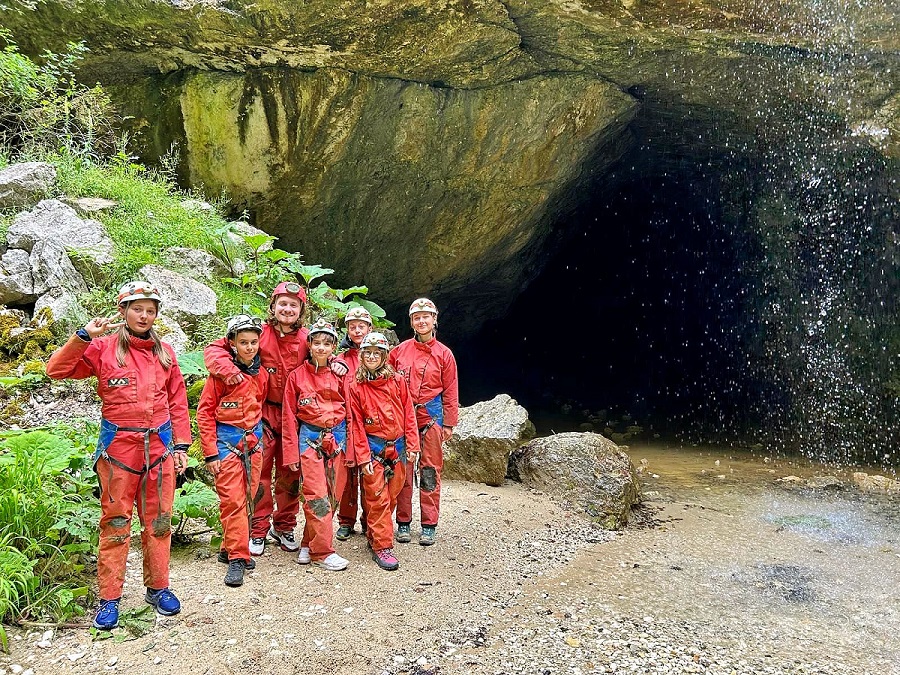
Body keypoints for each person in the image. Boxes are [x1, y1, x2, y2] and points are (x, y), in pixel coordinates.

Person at [46, 281, 191, 630]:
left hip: (159, 447)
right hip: (117, 450)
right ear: (123, 310)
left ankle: (158, 588)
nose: (144, 315)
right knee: (115, 523)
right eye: (137, 308)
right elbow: (56, 370)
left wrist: (182, 446)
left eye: (150, 310)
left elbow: (177, 401)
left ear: (157, 315)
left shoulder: (166, 353)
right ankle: (109, 597)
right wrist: (82, 336)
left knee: (158, 522)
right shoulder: (102, 349)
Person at [204, 282, 311, 556]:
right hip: (262, 412)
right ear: (273, 306)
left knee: (290, 473)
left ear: (301, 310)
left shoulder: (307, 339)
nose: (287, 309)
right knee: (260, 475)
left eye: (293, 304)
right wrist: (230, 371)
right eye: (282, 303)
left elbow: (324, 358)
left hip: (294, 416)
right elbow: (216, 350)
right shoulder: (257, 333)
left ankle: (284, 525)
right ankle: (257, 529)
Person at [197, 315, 268, 587]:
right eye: (243, 342)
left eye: (253, 342)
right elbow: (204, 413)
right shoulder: (219, 377)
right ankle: (239, 557)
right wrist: (210, 453)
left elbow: (259, 404)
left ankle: (229, 547)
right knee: (232, 499)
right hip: (226, 443)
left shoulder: (260, 374)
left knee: (248, 496)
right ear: (232, 344)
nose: (249, 347)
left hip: (253, 442)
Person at [346, 332, 420, 570]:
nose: (371, 357)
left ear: (385, 356)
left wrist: (413, 445)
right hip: (374, 449)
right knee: (377, 497)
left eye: (376, 353)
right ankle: (382, 546)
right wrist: (363, 456)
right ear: (361, 355)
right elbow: (355, 423)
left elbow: (409, 413)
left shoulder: (398, 382)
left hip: (397, 447)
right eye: (367, 352)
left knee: (391, 496)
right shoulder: (356, 387)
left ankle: (372, 529)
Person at [389, 298, 459, 546]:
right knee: (404, 470)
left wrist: (449, 423)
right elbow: (386, 382)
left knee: (429, 470)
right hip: (404, 417)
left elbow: (450, 390)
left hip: (431, 416)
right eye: (416, 317)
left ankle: (429, 524)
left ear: (434, 320)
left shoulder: (444, 354)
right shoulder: (398, 352)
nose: (421, 321)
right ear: (411, 322)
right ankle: (404, 522)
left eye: (426, 316)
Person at [281, 319, 350, 571]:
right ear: (309, 345)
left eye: (327, 343)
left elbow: (350, 411)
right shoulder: (296, 377)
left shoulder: (340, 374)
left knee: (333, 495)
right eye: (317, 343)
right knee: (315, 494)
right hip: (309, 439)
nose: (321, 348)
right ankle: (323, 552)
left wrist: (352, 447)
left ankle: (308, 543)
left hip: (338, 438)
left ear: (334, 346)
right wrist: (291, 453)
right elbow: (288, 417)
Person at [335, 306, 373, 541]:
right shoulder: (340, 360)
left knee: (371, 474)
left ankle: (370, 520)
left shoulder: (376, 358)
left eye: (361, 326)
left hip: (370, 425)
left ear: (370, 328)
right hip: (346, 424)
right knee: (347, 476)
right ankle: (346, 520)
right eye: (352, 326)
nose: (357, 330)